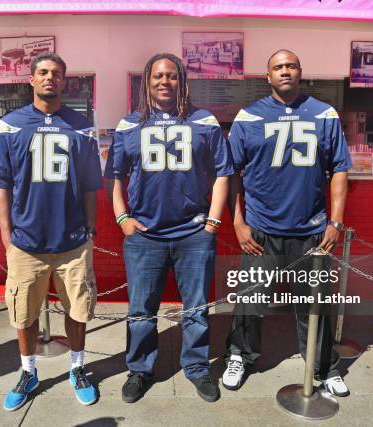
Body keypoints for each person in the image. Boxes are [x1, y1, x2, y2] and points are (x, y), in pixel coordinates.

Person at [221, 49, 352, 397]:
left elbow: (339, 168)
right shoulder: (249, 116)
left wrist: (336, 223)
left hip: (310, 230)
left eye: (290, 66)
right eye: (278, 67)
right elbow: (230, 172)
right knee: (250, 299)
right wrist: (238, 221)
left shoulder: (324, 113)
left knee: (316, 306)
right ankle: (240, 355)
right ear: (268, 76)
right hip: (261, 229)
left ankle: (323, 367)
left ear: (300, 71)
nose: (285, 71)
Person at [105, 53, 233, 403]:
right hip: (145, 235)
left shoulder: (204, 121)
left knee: (196, 309)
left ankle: (196, 368)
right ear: (146, 82)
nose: (165, 81)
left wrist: (213, 222)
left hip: (194, 233)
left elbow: (223, 172)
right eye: (158, 76)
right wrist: (123, 219)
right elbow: (114, 177)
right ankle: (140, 370)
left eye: (172, 76)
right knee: (141, 311)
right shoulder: (130, 125)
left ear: (182, 82)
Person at [0, 52, 102, 411]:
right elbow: (1, 184)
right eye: (43, 72)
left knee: (78, 311)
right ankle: (28, 371)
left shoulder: (81, 126)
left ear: (65, 81)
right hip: (26, 242)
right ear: (31, 79)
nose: (49, 78)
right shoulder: (10, 125)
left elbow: (89, 185)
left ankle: (78, 368)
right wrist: (7, 235)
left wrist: (90, 230)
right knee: (24, 313)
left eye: (56, 73)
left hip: (72, 241)